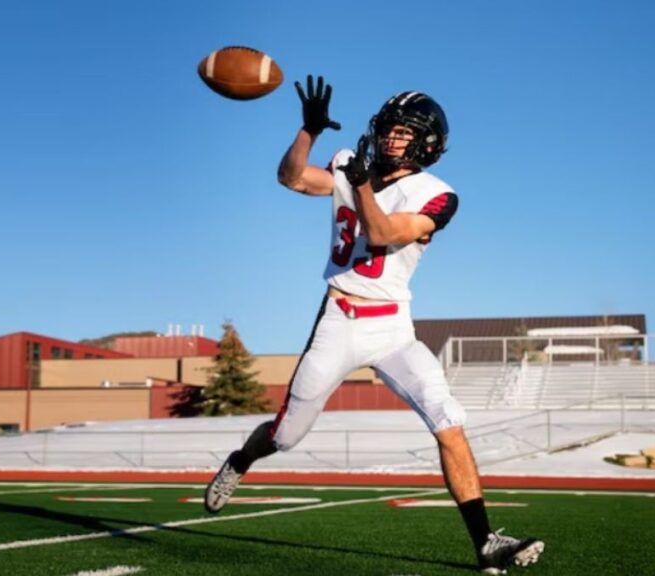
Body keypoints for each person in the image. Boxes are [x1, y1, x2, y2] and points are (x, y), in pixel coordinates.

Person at [203, 75, 545, 574]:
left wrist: (359, 181)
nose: (389, 138)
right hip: (339, 319)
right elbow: (292, 178)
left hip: (393, 329)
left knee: (448, 419)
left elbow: (382, 232)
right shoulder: (349, 164)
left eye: (403, 132)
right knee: (285, 436)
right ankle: (240, 460)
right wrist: (308, 133)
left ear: (427, 144)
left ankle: (486, 543)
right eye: (387, 128)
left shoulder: (437, 194)